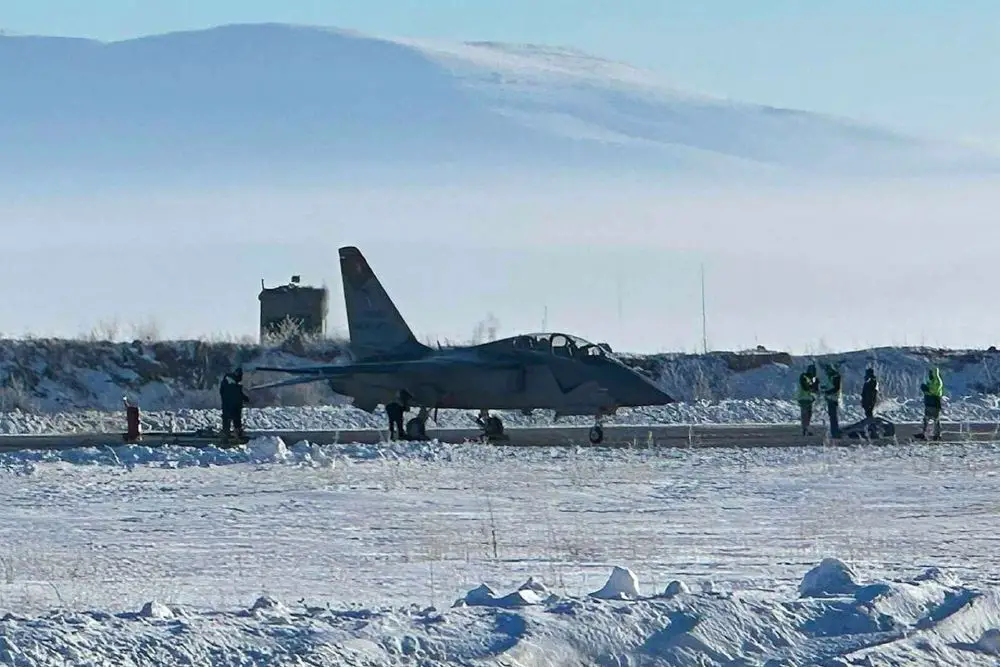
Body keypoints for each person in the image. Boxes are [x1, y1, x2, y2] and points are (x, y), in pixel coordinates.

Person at [219, 367, 250, 439]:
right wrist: (243, 398)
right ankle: (229, 433)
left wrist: (243, 398)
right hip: (230, 404)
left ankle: (234, 432)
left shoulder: (232, 382)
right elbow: (234, 393)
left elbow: (237, 393)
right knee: (230, 418)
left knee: (234, 418)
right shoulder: (230, 382)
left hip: (234, 404)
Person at [920, 367, 944, 440]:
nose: (929, 375)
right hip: (929, 403)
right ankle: (924, 434)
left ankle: (937, 435)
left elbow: (934, 391)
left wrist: (926, 389)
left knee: (936, 420)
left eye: (931, 373)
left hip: (934, 404)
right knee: (926, 419)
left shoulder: (937, 381)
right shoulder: (931, 381)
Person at [796, 363, 820, 435]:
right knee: (805, 414)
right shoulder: (804, 376)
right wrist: (812, 385)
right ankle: (805, 429)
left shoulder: (813, 378)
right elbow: (806, 387)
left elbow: (815, 389)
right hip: (803, 398)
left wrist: (816, 384)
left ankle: (806, 428)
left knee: (808, 414)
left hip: (809, 399)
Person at [822, 363, 842, 438]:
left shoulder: (835, 377)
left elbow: (836, 388)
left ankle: (835, 432)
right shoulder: (831, 377)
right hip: (830, 398)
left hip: (833, 398)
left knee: (833, 416)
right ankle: (834, 431)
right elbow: (830, 386)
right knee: (832, 416)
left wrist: (828, 392)